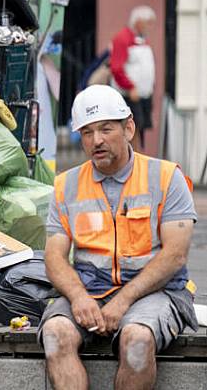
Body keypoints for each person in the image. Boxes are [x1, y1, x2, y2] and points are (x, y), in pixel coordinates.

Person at [40, 85, 196, 390]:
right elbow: (54, 257)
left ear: (129, 128)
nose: (96, 140)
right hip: (89, 290)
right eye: (86, 132)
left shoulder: (166, 177)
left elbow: (175, 255)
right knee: (55, 333)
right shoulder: (65, 185)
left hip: (156, 292)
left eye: (105, 129)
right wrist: (78, 297)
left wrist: (124, 299)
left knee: (136, 339)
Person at [109, 5, 156, 151]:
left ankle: (138, 157)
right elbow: (117, 68)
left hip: (142, 94)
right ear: (138, 22)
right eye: (148, 23)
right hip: (129, 95)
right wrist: (130, 87)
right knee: (132, 129)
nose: (150, 27)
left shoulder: (141, 40)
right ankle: (133, 159)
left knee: (140, 129)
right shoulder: (123, 38)